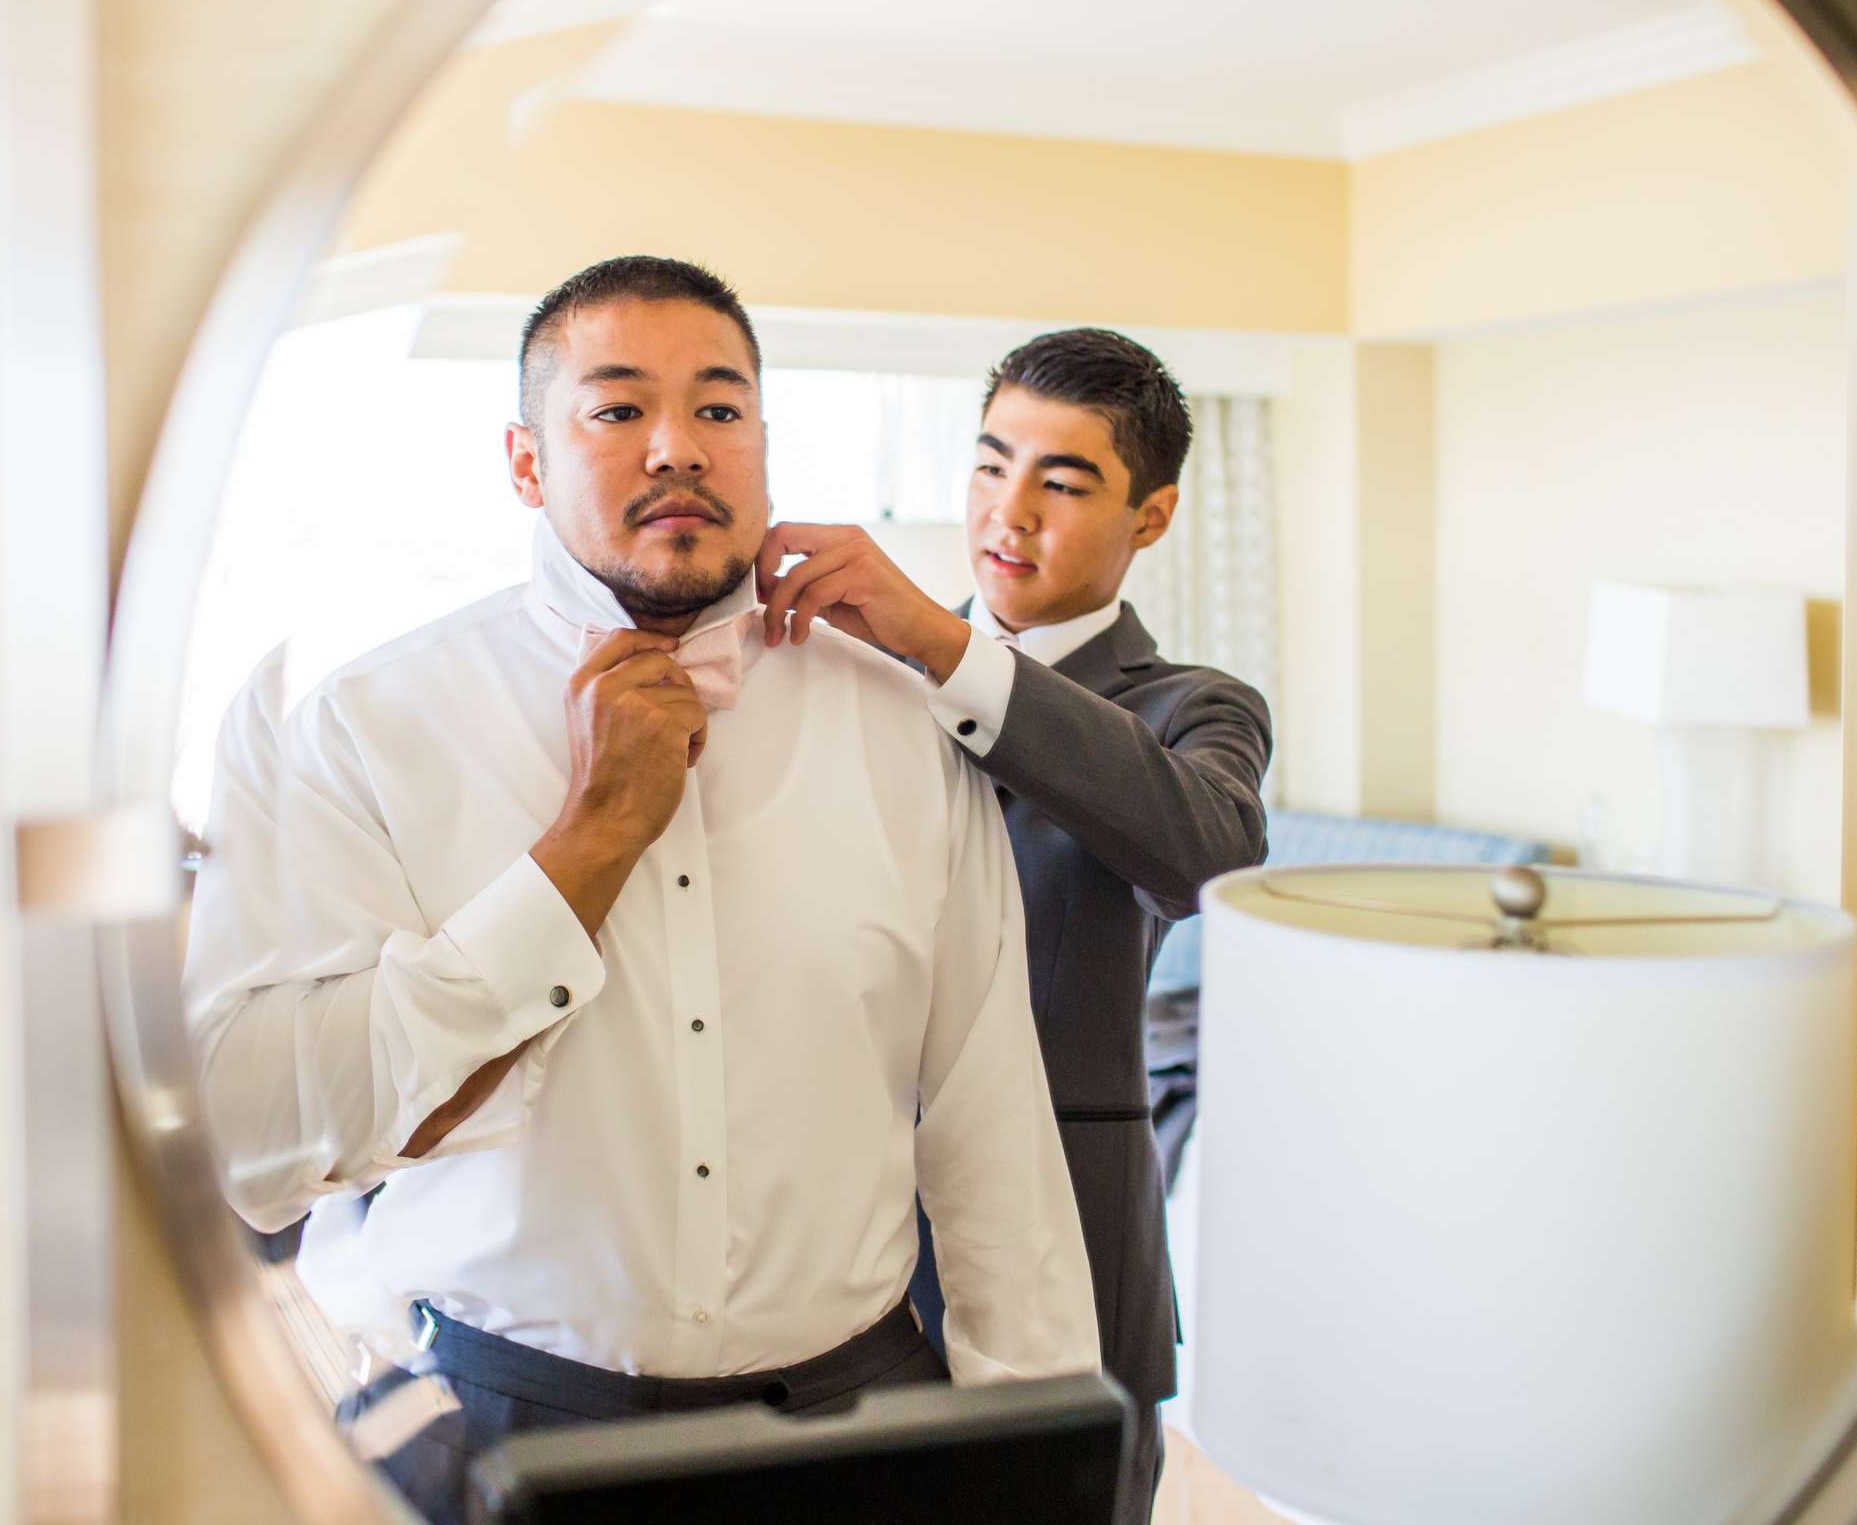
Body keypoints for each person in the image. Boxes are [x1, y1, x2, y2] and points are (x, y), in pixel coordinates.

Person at [183, 257, 1100, 1525]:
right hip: (487, 1425)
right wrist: (592, 838)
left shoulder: (897, 722)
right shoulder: (360, 730)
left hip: (857, 1419)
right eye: (617, 409)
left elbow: (989, 1118)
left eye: (719, 409)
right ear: (524, 461)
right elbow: (255, 1141)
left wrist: (1033, 1442)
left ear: (764, 446)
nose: (678, 445)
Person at [758, 326, 1274, 1524]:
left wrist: (948, 650)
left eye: (1063, 479)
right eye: (992, 464)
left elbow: (1208, 865)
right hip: (835, 1244)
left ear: (1152, 516)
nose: (1011, 509)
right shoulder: (849, 670)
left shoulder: (1195, 709)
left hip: (1074, 1248)